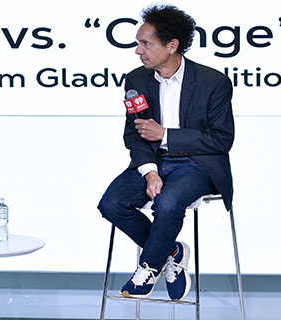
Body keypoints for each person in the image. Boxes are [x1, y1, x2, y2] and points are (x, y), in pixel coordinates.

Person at [97, 4, 234, 301]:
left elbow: (221, 140)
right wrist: (151, 171)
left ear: (172, 46)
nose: (137, 50)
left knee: (168, 204)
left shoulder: (214, 83)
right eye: (137, 43)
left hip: (198, 164)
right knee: (111, 204)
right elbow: (134, 135)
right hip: (153, 161)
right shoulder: (136, 80)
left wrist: (166, 135)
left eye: (145, 43)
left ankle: (149, 266)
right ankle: (170, 251)